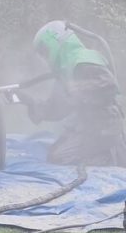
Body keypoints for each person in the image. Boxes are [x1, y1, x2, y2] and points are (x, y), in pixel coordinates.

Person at [15, 20, 126, 167]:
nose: (45, 57)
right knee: (55, 155)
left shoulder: (84, 58)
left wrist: (75, 88)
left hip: (103, 126)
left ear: (55, 42)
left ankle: (107, 160)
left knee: (62, 158)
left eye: (44, 50)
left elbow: (109, 84)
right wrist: (29, 101)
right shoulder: (65, 69)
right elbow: (56, 109)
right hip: (87, 125)